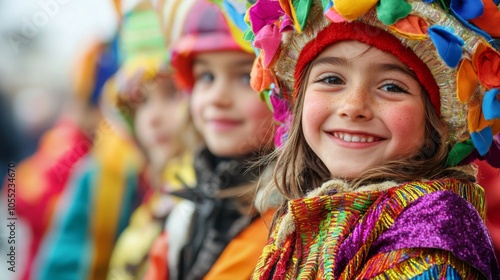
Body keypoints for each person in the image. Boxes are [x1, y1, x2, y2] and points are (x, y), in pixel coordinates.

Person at [243, 0, 500, 278]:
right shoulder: (303, 221)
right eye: (331, 80)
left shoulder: (428, 245)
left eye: (391, 87)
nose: (353, 106)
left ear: (437, 122)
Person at [143, 0, 277, 279]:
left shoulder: (294, 222)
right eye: (206, 76)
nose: (217, 97)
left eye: (244, 77)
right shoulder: (186, 212)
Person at [105, 2, 200, 279]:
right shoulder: (151, 195)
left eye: (171, 93)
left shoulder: (201, 197)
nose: (152, 118)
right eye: (140, 101)